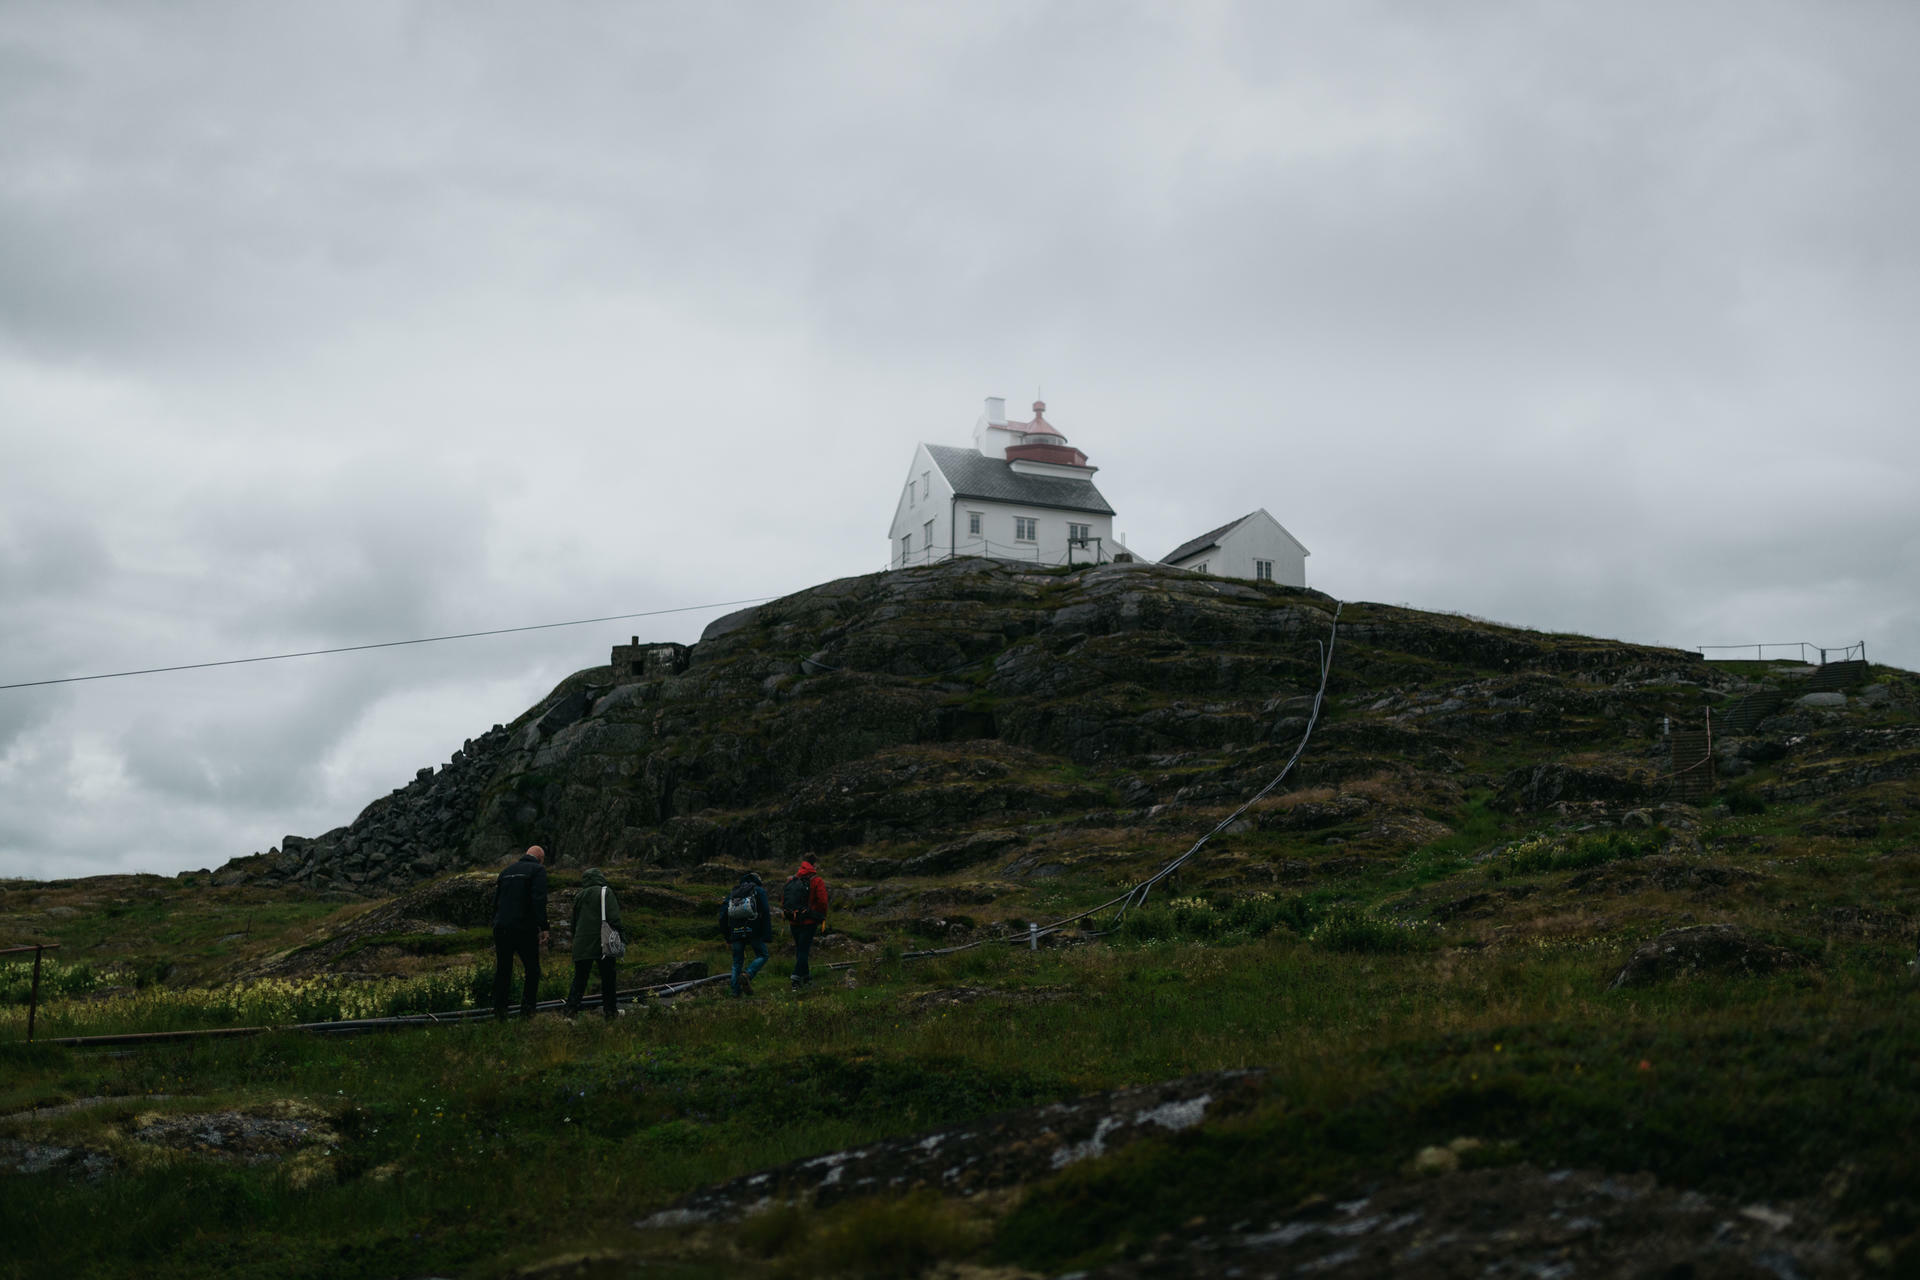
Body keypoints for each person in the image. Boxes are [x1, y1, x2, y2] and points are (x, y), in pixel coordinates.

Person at [491, 845, 549, 1019]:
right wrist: (544, 927)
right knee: (532, 970)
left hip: (501, 927)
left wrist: (496, 922)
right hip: (524, 928)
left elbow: (496, 902)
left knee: (503, 970)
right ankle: (527, 1011)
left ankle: (499, 1012)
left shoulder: (505, 872)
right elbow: (539, 899)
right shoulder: (538, 870)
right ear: (540, 859)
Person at [565, 867, 624, 1019]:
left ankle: (570, 1011)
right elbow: (614, 918)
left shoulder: (579, 896)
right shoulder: (606, 892)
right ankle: (610, 1012)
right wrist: (621, 937)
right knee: (608, 977)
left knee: (580, 978)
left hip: (581, 943)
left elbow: (573, 922)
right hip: (602, 942)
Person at [717, 871, 772, 996]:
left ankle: (735, 992)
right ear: (758, 881)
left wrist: (727, 935)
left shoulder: (734, 891)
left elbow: (723, 915)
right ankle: (748, 974)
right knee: (763, 955)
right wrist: (767, 935)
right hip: (754, 930)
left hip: (736, 931)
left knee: (737, 962)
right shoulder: (759, 891)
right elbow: (765, 912)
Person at [782, 859, 829, 989]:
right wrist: (819, 915)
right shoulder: (816, 880)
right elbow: (823, 901)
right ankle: (795, 978)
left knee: (800, 949)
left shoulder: (791, 880)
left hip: (793, 920)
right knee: (804, 950)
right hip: (809, 921)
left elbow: (784, 900)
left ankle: (806, 978)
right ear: (814, 865)